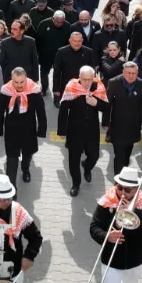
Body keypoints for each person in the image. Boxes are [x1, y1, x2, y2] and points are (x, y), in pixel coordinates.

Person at [58, 66, 108, 196]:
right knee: (73, 158)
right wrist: (62, 131)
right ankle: (76, 183)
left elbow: (107, 107)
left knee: (94, 155)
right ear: (79, 77)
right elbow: (63, 109)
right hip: (75, 129)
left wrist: (96, 103)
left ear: (93, 78)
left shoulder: (98, 87)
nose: (87, 82)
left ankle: (87, 166)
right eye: (84, 79)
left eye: (89, 79)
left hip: (92, 129)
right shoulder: (71, 87)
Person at [0, 67, 47, 186]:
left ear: (26, 79)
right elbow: (0, 111)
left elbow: (41, 112)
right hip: (11, 131)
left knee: (27, 154)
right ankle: (12, 190)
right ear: (11, 80)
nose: (19, 85)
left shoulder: (34, 90)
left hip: (29, 130)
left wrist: (41, 130)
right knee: (11, 160)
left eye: (22, 82)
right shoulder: (6, 91)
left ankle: (25, 169)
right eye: (16, 82)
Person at [104, 61, 142, 175]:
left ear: (137, 73)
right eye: (128, 73)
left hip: (133, 126)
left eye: (134, 73)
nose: (131, 75)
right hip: (117, 126)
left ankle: (123, 174)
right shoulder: (114, 82)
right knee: (119, 156)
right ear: (123, 72)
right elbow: (107, 104)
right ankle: (118, 181)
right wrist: (105, 123)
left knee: (127, 155)